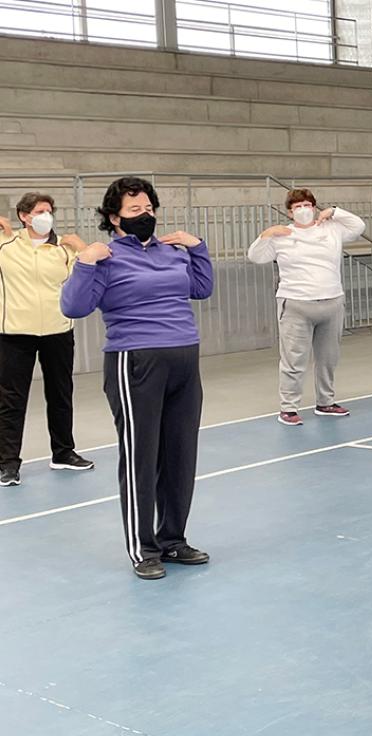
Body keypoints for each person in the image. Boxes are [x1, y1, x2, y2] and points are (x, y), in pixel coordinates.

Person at [59, 177, 213, 580]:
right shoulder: (107, 256)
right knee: (141, 456)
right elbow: (74, 307)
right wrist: (85, 262)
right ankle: (142, 548)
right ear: (115, 218)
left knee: (180, 454)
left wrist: (198, 249)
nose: (145, 216)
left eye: (149, 209)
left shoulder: (171, 252)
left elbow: (202, 287)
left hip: (184, 358)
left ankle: (173, 540)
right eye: (134, 211)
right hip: (135, 361)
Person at [247, 188, 366, 426]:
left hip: (331, 301)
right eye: (297, 207)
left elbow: (358, 226)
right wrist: (266, 234)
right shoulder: (281, 235)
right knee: (293, 359)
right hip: (296, 304)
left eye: (307, 205)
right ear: (290, 213)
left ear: (314, 207)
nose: (303, 210)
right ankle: (288, 407)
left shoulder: (331, 229)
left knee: (328, 357)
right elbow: (255, 256)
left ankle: (326, 402)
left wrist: (335, 211)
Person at [0, 193, 93, 486]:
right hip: (15, 333)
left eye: (49, 211)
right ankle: (7, 464)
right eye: (40, 211)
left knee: (61, 394)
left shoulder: (63, 248)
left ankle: (63, 453)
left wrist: (83, 248)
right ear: (24, 216)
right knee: (11, 401)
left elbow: (97, 270)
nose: (46, 216)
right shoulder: (5, 244)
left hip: (58, 330)